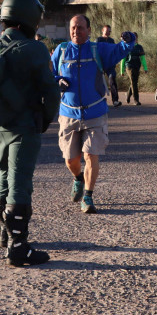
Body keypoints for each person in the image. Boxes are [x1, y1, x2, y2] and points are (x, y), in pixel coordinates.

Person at [0, 0, 60, 266]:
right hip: (22, 127)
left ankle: (6, 236)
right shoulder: (35, 48)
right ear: (29, 18)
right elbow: (51, 92)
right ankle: (18, 247)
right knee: (20, 183)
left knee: (3, 175)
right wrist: (44, 119)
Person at [51, 14, 126, 215]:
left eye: (81, 28)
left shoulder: (98, 49)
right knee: (70, 160)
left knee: (91, 154)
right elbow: (49, 72)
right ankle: (78, 178)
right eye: (73, 28)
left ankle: (88, 196)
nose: (76, 31)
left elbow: (120, 50)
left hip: (95, 112)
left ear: (89, 30)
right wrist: (57, 80)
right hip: (68, 114)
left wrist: (129, 41)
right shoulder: (62, 50)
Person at [118, 32, 147, 106]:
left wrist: (145, 68)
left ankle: (128, 95)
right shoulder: (127, 46)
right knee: (134, 82)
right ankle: (136, 100)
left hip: (137, 66)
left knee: (134, 82)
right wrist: (122, 70)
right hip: (129, 66)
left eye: (136, 37)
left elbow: (142, 58)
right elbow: (123, 59)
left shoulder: (139, 47)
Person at [96, 25, 121, 107]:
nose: (108, 32)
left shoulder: (111, 41)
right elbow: (94, 52)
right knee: (97, 82)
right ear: (102, 31)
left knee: (112, 80)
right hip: (99, 64)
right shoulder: (98, 40)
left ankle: (115, 101)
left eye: (109, 31)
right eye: (106, 30)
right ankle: (97, 101)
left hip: (110, 65)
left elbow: (114, 52)